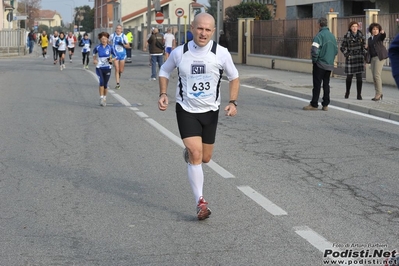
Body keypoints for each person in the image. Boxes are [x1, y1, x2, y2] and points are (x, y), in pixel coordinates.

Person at [157, 13, 240, 220]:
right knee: (195, 153)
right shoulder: (180, 53)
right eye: (199, 28)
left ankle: (192, 157)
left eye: (207, 29)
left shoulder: (221, 53)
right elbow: (164, 71)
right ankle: (200, 202)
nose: (203, 33)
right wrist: (163, 94)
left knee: (205, 157)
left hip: (210, 112)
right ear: (192, 28)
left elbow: (234, 76)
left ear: (213, 31)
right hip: (186, 110)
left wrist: (232, 102)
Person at [303, 17, 337, 111]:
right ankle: (325, 104)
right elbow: (336, 50)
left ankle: (314, 104)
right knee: (326, 84)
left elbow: (314, 49)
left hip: (320, 63)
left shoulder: (319, 36)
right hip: (329, 64)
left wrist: (315, 60)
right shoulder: (332, 36)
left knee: (317, 84)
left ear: (319, 24)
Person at [340, 21, 366, 100]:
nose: (354, 28)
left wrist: (364, 55)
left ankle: (359, 94)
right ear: (350, 28)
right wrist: (347, 54)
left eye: (356, 26)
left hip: (359, 58)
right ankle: (347, 92)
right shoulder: (347, 36)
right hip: (350, 58)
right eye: (353, 26)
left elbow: (364, 47)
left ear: (358, 27)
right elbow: (342, 47)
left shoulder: (361, 36)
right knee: (349, 77)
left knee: (359, 77)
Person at [93, 32, 116, 107]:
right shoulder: (98, 47)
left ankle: (105, 98)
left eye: (105, 39)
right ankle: (101, 98)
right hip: (99, 67)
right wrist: (95, 59)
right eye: (102, 39)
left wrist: (111, 60)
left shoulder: (110, 47)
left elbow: (115, 56)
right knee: (101, 82)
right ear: (100, 39)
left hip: (107, 67)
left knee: (105, 84)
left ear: (107, 39)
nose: (104, 40)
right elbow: (94, 53)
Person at [367, 23, 388, 101]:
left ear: (379, 30)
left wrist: (383, 33)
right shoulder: (369, 39)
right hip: (373, 58)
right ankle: (378, 93)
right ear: (371, 30)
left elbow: (383, 36)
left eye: (377, 29)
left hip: (380, 57)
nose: (375, 31)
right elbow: (370, 48)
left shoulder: (379, 36)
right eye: (373, 29)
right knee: (374, 76)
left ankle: (379, 94)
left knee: (377, 75)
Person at [110, 25, 130, 90]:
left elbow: (128, 46)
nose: (118, 30)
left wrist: (123, 44)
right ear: (115, 29)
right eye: (117, 28)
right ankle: (118, 83)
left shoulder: (124, 36)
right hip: (115, 55)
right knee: (116, 68)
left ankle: (119, 75)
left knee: (121, 70)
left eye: (119, 29)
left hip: (122, 54)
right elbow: (108, 42)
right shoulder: (112, 36)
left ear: (121, 30)